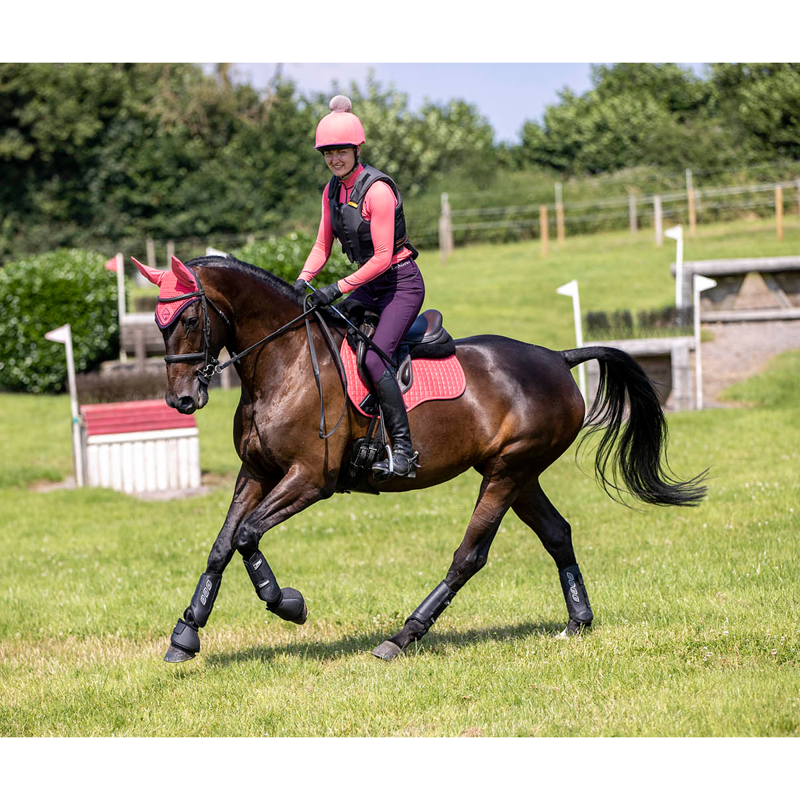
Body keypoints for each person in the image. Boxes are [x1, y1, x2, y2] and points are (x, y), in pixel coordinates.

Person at [296, 95, 424, 481]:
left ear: (356, 149)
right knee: (329, 336)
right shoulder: (330, 192)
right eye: (328, 153)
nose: (335, 159)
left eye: (341, 151)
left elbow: (383, 257)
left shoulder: (378, 191)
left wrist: (334, 289)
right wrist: (302, 281)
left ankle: (403, 451)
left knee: (371, 358)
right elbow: (322, 245)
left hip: (400, 285)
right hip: (369, 287)